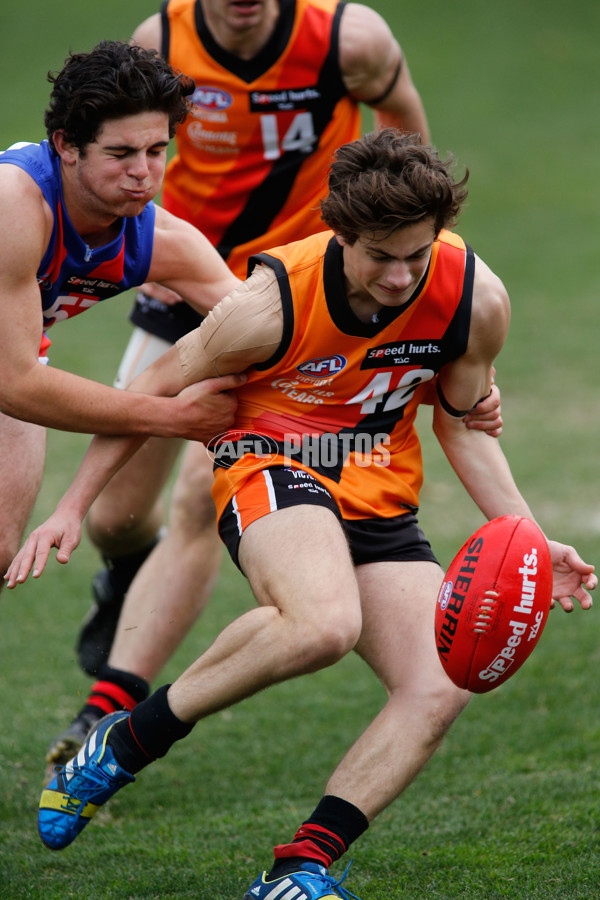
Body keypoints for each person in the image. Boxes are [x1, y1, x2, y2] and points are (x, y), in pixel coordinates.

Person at [7, 130, 594, 899]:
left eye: (416, 254)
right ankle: (128, 740)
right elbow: (152, 385)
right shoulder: (268, 303)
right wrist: (74, 506)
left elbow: (459, 419)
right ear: (341, 234)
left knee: (441, 681)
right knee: (322, 624)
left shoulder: (476, 298)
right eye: (380, 255)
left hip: (378, 485)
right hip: (270, 462)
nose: (400, 275)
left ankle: (301, 868)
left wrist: (524, 536)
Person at [55, 0, 500, 768]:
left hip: (317, 298)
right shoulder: (162, 41)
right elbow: (135, 155)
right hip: (204, 291)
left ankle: (110, 707)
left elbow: (403, 141)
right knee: (119, 521)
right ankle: (125, 579)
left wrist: (411, 273)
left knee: (203, 496)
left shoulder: (349, 40)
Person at [0, 39, 245, 604]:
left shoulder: (162, 242)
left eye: (157, 150)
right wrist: (171, 416)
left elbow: (271, 329)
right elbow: (16, 385)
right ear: (66, 146)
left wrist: (440, 377)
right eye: (120, 154)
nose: (143, 173)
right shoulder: (18, 203)